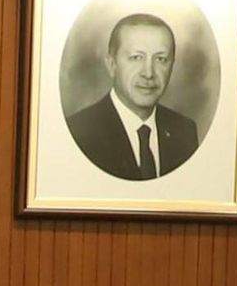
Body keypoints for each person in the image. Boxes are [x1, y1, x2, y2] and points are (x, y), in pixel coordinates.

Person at [66, 13, 199, 180]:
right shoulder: (79, 132)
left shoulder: (184, 131)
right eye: (136, 58)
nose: (148, 73)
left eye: (161, 59)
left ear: (172, 65)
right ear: (112, 65)